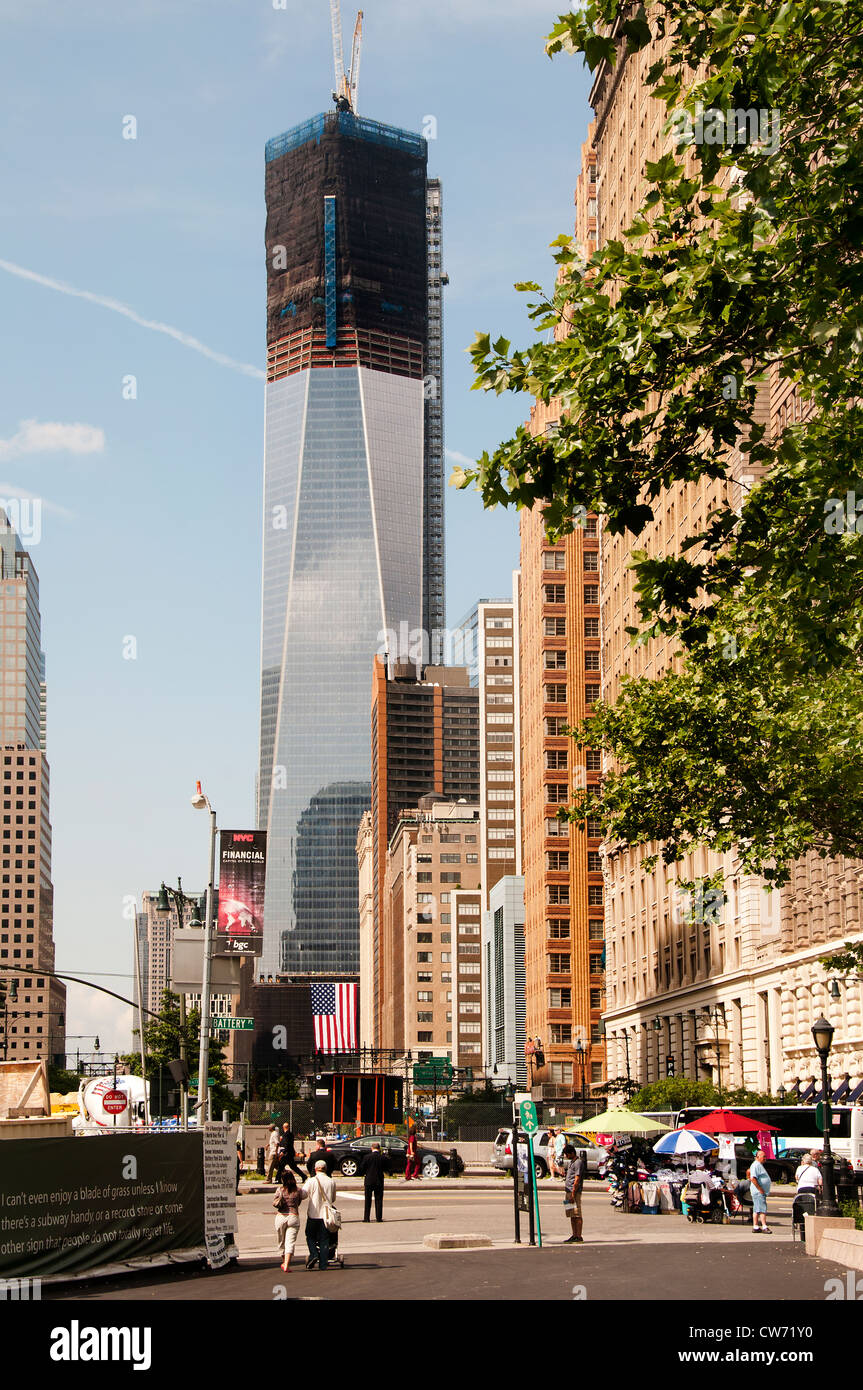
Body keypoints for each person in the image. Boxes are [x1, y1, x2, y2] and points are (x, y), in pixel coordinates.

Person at [304, 1158, 337, 1271]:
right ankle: (323, 1264)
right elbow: (333, 1199)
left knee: (310, 1236)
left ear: (315, 1169)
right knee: (324, 1239)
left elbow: (303, 1194)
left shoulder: (311, 1181)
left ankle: (314, 1254)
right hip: (326, 1215)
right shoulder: (331, 1181)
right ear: (326, 1169)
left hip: (313, 1214)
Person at [273, 1170, 307, 1272]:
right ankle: (287, 1264)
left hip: (281, 1217)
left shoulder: (280, 1190)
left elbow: (274, 1201)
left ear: (283, 1179)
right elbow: (305, 1195)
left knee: (281, 1241)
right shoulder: (298, 1191)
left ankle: (284, 1261)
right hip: (293, 1216)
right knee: (290, 1242)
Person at [562, 1144, 586, 1243]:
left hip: (574, 1192)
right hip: (568, 1191)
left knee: (577, 1214)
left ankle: (579, 1236)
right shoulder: (571, 1162)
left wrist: (573, 1194)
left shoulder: (578, 1162)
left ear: (572, 1153)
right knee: (571, 1214)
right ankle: (574, 1234)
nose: (566, 1156)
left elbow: (577, 1179)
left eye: (567, 1154)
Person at [360, 1140, 386, 1222]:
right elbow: (387, 1168)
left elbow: (362, 1168)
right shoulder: (382, 1157)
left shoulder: (367, 1157)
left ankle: (366, 1218)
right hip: (379, 1180)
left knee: (367, 1200)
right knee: (378, 1200)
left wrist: (365, 1173)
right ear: (379, 1149)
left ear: (372, 1148)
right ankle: (379, 1217)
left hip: (369, 1180)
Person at [747, 1148, 772, 1233]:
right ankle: (764, 1226)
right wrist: (760, 1189)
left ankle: (756, 1226)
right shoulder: (756, 1165)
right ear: (758, 1157)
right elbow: (753, 1178)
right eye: (763, 1156)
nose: (765, 1158)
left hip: (758, 1191)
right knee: (762, 1209)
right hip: (758, 1191)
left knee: (757, 1209)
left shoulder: (758, 1165)